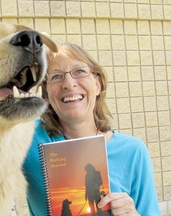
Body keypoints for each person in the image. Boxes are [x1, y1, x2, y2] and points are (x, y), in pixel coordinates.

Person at [23, 42, 160, 216]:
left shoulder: (133, 151)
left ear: (98, 83)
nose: (69, 84)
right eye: (56, 76)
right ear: (46, 94)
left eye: (79, 71)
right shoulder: (28, 138)